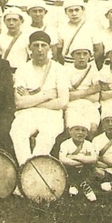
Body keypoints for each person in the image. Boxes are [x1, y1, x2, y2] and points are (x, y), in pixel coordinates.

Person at [9, 30, 69, 166]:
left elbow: (63, 102)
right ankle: (26, 170)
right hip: (26, 113)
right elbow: (19, 102)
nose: (40, 49)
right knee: (17, 132)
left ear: (49, 47)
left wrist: (30, 99)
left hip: (51, 114)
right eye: (36, 45)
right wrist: (46, 95)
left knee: (46, 136)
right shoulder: (22, 69)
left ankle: (32, 171)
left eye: (43, 45)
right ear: (30, 48)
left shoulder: (59, 69)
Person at [64, 41, 102, 136]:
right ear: (73, 56)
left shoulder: (93, 70)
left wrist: (75, 93)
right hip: (72, 106)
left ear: (89, 56)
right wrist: (90, 91)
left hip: (91, 106)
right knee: (72, 130)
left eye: (85, 54)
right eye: (78, 54)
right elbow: (67, 96)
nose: (81, 57)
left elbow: (96, 97)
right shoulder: (66, 71)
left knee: (92, 130)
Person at [58, 117, 98, 201]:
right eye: (77, 129)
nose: (80, 133)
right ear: (70, 131)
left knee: (89, 167)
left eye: (83, 130)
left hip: (84, 169)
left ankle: (75, 184)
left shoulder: (89, 144)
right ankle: (84, 185)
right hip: (71, 169)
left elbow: (94, 158)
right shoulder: (65, 144)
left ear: (87, 133)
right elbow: (62, 159)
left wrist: (75, 157)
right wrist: (84, 160)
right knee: (69, 167)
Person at [0, 7, 31, 72]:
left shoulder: (27, 38)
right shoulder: (0, 38)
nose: (11, 23)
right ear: (4, 22)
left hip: (22, 71)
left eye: (15, 20)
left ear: (21, 21)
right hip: (5, 72)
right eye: (8, 20)